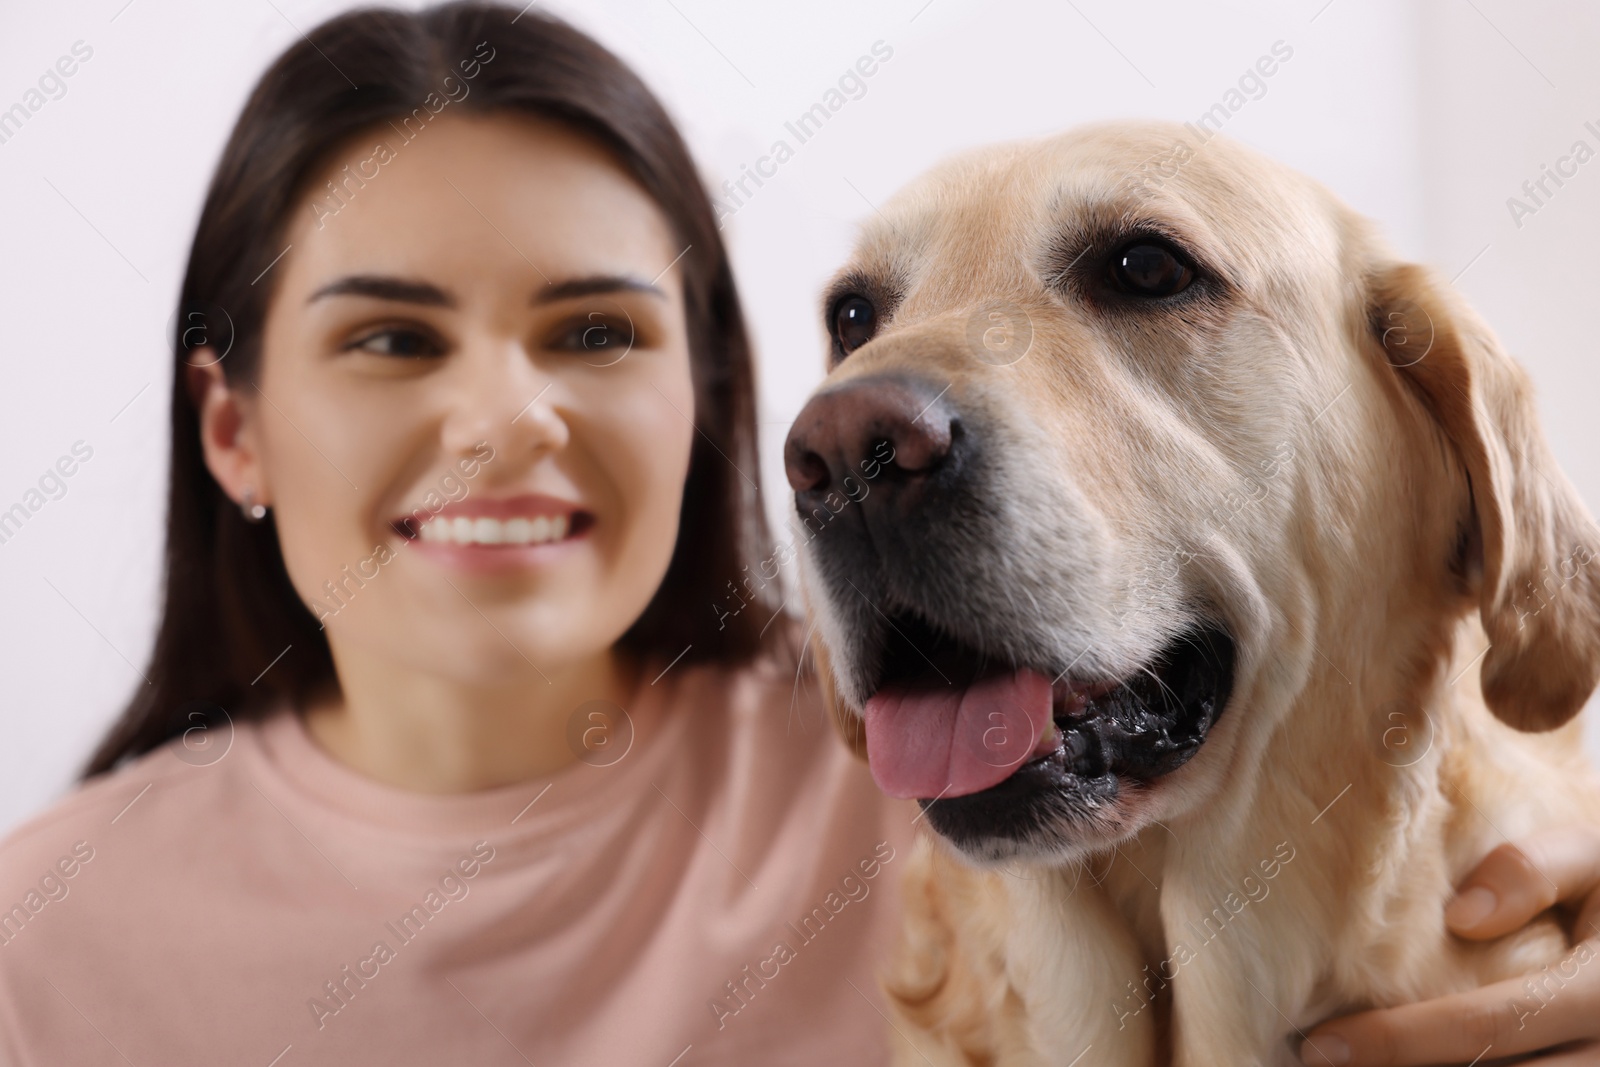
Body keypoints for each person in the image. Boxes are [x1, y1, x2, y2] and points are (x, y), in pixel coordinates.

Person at [0, 5, 1594, 1066]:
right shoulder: (38, 948)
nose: (501, 420)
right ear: (234, 427)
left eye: (596, 332)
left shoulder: (889, 787)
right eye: (393, 341)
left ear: (701, 402)